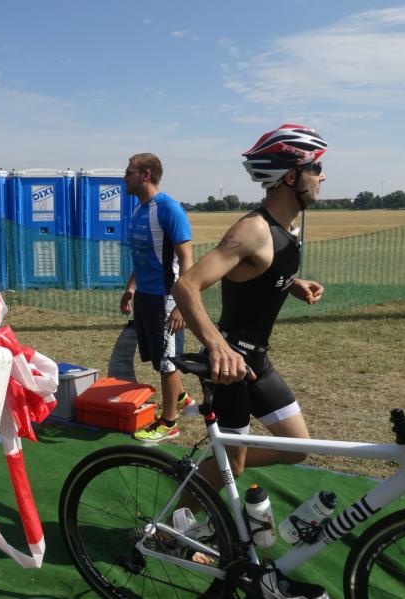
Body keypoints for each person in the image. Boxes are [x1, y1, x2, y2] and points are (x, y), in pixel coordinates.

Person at [172, 124, 329, 599]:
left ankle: (215, 463)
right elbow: (187, 286)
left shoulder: (285, 228)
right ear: (290, 177)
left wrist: (291, 283)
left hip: (258, 359)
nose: (322, 176)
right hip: (230, 365)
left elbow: (260, 269)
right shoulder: (252, 230)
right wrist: (217, 346)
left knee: (298, 447)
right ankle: (177, 526)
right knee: (234, 467)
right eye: (316, 168)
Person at [121, 152, 194, 443]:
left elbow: (186, 260)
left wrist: (181, 305)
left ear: (146, 175)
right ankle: (182, 397)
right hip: (145, 296)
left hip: (166, 297)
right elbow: (142, 256)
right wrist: (131, 288)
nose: (124, 177)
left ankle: (169, 423)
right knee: (157, 357)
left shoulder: (169, 209)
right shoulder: (139, 210)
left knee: (167, 363)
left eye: (129, 172)